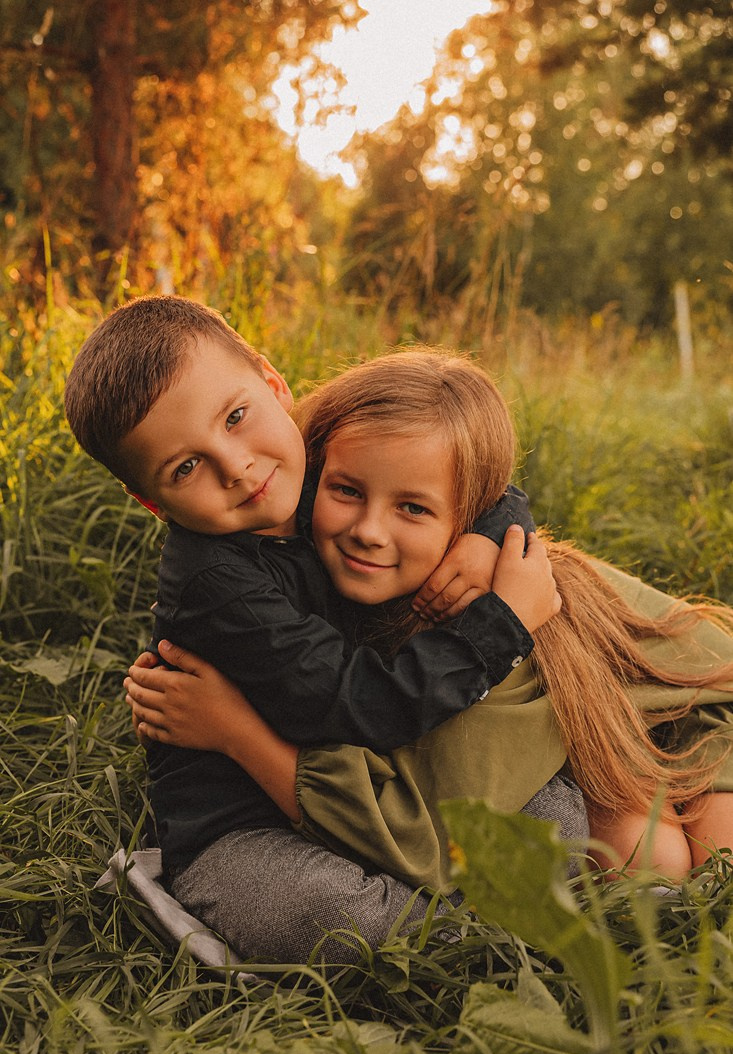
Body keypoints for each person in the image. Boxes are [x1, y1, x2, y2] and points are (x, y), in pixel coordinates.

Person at [65, 297, 578, 963]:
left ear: (272, 382)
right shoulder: (214, 583)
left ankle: (484, 909)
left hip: (383, 778)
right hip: (253, 822)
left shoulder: (313, 462)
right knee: (329, 916)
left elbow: (448, 462)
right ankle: (479, 933)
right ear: (151, 501)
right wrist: (500, 622)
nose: (238, 467)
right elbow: (362, 705)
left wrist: (487, 534)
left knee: (559, 825)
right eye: (186, 467)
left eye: (236, 417)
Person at [126, 351, 733, 892]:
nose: (368, 529)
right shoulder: (271, 502)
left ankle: (652, 767)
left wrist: (489, 536)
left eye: (413, 508)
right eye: (346, 492)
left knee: (674, 856)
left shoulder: (475, 587)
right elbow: (363, 712)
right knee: (641, 860)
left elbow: (478, 482)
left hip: (648, 678)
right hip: (452, 742)